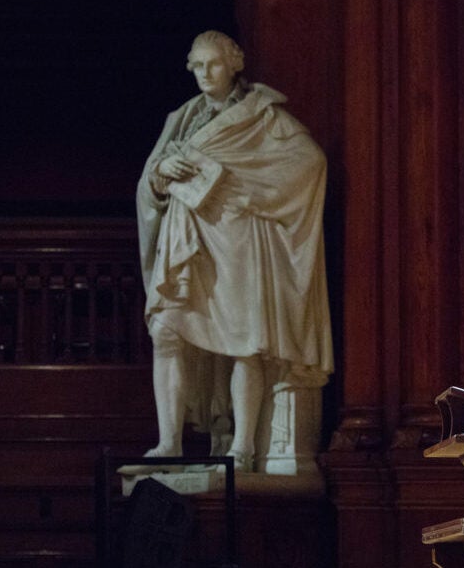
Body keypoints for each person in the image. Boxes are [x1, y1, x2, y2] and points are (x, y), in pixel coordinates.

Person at [135, 30, 333, 473]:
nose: (205, 74)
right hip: (187, 237)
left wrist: (247, 191)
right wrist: (161, 172)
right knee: (166, 330)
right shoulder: (182, 118)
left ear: (235, 63)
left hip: (237, 236)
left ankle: (242, 447)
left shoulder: (262, 115)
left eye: (214, 64)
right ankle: (169, 443)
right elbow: (149, 181)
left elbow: (309, 162)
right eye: (198, 66)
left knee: (244, 341)